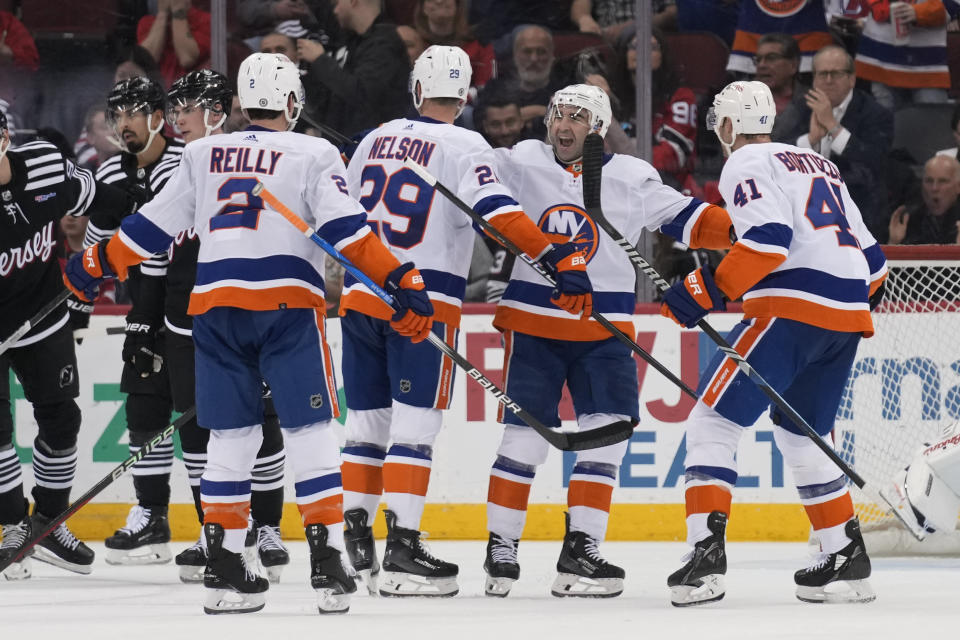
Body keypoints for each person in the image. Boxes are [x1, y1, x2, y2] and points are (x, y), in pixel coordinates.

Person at [63, 51, 434, 615]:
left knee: (230, 441)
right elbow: (351, 235)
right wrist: (403, 279)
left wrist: (94, 264)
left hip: (213, 309)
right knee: (309, 431)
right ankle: (328, 560)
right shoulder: (313, 151)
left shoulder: (204, 153)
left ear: (239, 102)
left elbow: (148, 230)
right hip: (286, 307)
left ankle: (225, 566)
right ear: (292, 101)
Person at [339, 45, 593, 598]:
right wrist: (555, 259)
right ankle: (403, 546)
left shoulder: (375, 138)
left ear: (416, 87)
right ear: (467, 94)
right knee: (414, 429)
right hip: (421, 305)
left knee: (366, 424)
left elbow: (342, 218)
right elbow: (499, 213)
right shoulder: (464, 143)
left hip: (361, 298)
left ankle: (355, 530)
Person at [484, 84, 733, 598]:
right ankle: (501, 547)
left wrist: (745, 231)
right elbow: (475, 178)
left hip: (605, 331)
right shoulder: (523, 160)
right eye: (558, 115)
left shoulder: (631, 175)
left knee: (608, 435)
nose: (563, 124)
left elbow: (688, 218)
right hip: (536, 324)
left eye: (577, 116)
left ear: (597, 127)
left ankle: (581, 550)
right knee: (525, 436)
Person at [661, 80, 886, 606]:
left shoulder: (744, 163)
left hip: (791, 310)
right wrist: (836, 314)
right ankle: (846, 558)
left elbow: (766, 240)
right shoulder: (818, 162)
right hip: (847, 315)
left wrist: (705, 288)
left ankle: (705, 557)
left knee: (713, 421)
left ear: (728, 125)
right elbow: (875, 264)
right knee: (803, 437)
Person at [157, 69, 291, 584]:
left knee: (263, 419)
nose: (177, 120)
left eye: (186, 108)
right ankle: (214, 528)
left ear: (216, 110)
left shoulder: (250, 155)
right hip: (186, 315)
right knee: (196, 428)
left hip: (246, 309)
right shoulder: (176, 164)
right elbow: (154, 252)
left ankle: (269, 526)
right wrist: (144, 325)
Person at [0, 109, 138, 580]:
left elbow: (96, 195)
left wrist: (140, 206)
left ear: (5, 139)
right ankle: (14, 525)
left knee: (63, 419)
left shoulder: (41, 163)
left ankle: (48, 521)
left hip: (40, 315)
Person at [83, 77, 184, 567]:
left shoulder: (184, 167)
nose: (123, 124)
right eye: (117, 115)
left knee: (206, 423)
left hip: (188, 310)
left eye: (133, 113)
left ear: (158, 117)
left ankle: (222, 523)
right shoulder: (109, 177)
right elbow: (96, 251)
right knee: (144, 414)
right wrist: (80, 300)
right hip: (142, 309)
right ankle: (152, 515)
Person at [775, 44, 893, 236]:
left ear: (852, 79)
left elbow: (874, 162)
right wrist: (811, 140)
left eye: (836, 74)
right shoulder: (800, 107)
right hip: (805, 212)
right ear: (813, 79)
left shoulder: (876, 113)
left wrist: (833, 127)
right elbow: (777, 152)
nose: (828, 81)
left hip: (859, 210)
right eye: (822, 74)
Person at [296, 0, 410, 137]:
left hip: (375, 144)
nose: (335, 10)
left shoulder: (384, 42)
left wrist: (320, 60)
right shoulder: (355, 41)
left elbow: (362, 93)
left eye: (337, 3)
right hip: (352, 143)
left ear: (353, 2)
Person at [856, 0, 953, 110]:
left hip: (927, 66)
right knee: (883, 123)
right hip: (881, 59)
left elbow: (953, 5)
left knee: (931, 121)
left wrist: (920, 12)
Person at [478, 25, 565, 136]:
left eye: (541, 52)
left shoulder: (564, 92)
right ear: (515, 55)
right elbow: (479, 121)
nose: (534, 58)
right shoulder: (496, 87)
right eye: (527, 52)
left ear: (552, 56)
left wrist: (540, 111)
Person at [413, 0, 496, 90]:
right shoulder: (411, 42)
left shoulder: (479, 44)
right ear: (423, 7)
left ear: (457, 5)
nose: (439, 1)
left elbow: (486, 88)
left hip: (468, 102)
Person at [137, 0, 212, 87]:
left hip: (193, 92)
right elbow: (146, 61)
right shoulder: (146, 23)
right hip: (158, 93)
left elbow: (187, 58)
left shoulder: (206, 20)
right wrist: (162, 13)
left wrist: (178, 11)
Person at [888, 155, 960, 245]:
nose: (934, 188)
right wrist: (893, 242)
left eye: (943, 181)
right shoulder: (907, 220)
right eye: (929, 181)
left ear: (958, 186)